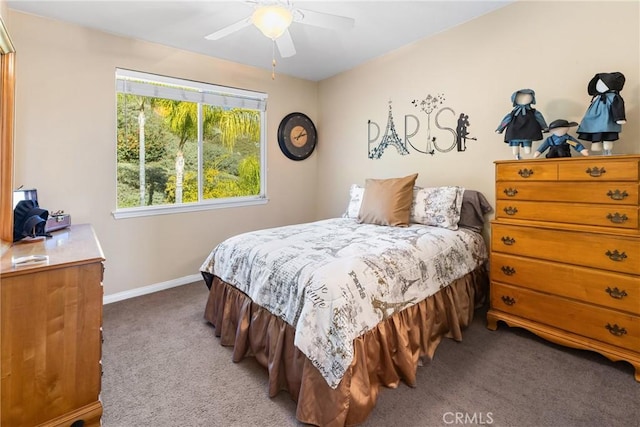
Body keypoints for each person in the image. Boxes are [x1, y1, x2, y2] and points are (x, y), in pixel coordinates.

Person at [577, 72, 626, 155]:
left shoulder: (614, 97)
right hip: (595, 120)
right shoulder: (597, 97)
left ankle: (607, 147)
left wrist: (619, 117)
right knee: (595, 131)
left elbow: (618, 107)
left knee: (608, 134)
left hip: (607, 120)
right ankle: (596, 143)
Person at [496, 89, 548, 160]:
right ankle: (517, 153)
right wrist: (500, 129)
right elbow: (506, 120)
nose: (524, 98)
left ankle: (524, 148)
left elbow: (540, 119)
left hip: (528, 131)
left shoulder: (533, 112)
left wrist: (545, 127)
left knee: (527, 150)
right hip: (514, 131)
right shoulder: (513, 113)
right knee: (515, 149)